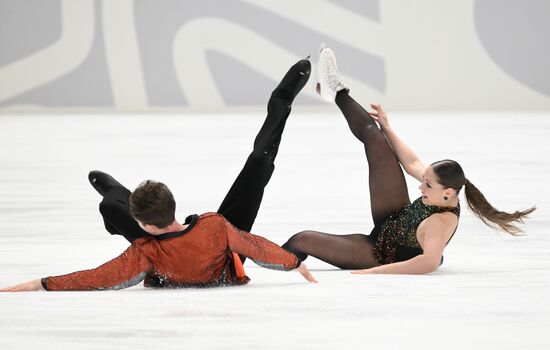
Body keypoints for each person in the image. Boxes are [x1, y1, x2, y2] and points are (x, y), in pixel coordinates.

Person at [0, 59, 317, 292]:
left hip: (196, 247)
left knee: (111, 207)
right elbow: (256, 246)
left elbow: (97, 277)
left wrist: (41, 284)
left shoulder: (146, 250)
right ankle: (280, 103)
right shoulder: (214, 226)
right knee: (258, 165)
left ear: (144, 226)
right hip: (220, 248)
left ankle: (112, 190)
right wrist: (294, 263)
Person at [281, 46, 536, 274]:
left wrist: (373, 273)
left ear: (447, 194)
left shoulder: (441, 221)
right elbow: (412, 162)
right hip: (393, 216)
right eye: (424, 181)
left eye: (427, 185)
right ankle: (336, 91)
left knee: (300, 240)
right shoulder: (442, 189)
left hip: (378, 254)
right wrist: (387, 127)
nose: (420, 186)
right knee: (375, 138)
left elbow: (429, 263)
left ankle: (256, 255)